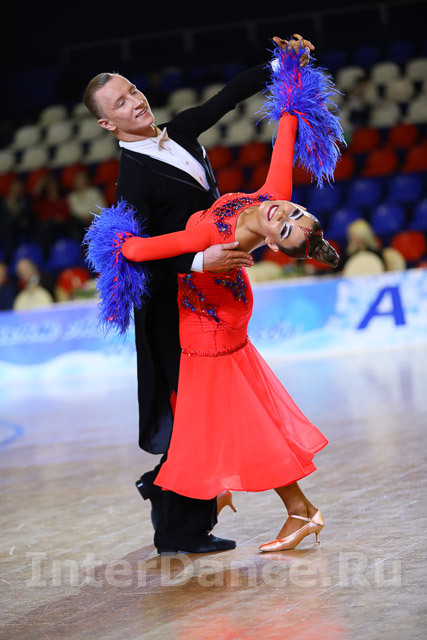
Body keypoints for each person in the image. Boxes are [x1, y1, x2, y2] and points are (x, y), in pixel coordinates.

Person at [85, 43, 343, 553]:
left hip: (215, 285)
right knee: (195, 409)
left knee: (204, 410)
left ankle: (185, 505)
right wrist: (202, 260)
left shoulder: (179, 131)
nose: (135, 101)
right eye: (120, 102)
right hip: (173, 298)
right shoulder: (133, 177)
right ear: (107, 124)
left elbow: (229, 97)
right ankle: (190, 499)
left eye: (132, 90)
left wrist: (282, 66)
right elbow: (138, 253)